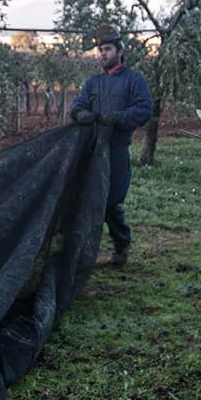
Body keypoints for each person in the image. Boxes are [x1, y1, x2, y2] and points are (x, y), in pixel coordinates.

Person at [68, 25, 154, 267]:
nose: (102, 54)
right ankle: (82, 251)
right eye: (100, 50)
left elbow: (144, 110)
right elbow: (77, 105)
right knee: (87, 200)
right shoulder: (93, 83)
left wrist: (117, 119)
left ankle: (121, 244)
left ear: (119, 51)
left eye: (107, 49)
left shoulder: (134, 79)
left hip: (115, 152)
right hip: (91, 152)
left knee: (110, 201)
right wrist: (79, 113)